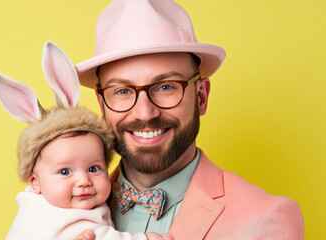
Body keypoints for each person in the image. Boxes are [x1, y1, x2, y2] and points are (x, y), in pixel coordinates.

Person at [74, 0, 304, 239]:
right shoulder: (56, 207)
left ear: (201, 97)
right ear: (102, 105)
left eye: (165, 87)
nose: (144, 113)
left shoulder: (265, 219)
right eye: (122, 91)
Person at [0, 42, 173, 240]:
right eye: (65, 171)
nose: (84, 181)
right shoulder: (50, 216)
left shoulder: (62, 203)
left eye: (94, 169)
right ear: (35, 182)